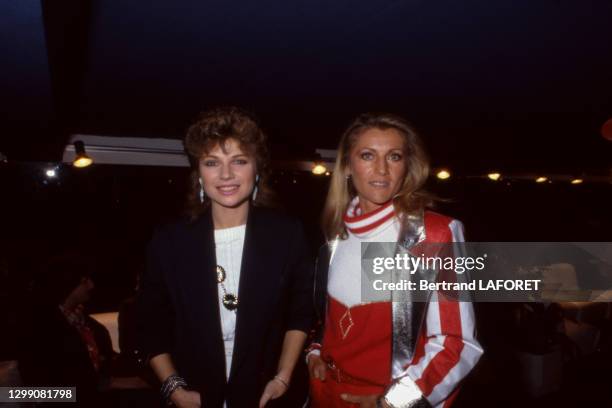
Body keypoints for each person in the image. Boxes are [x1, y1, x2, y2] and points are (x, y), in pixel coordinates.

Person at [135, 107, 313, 408]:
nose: (226, 174)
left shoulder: (286, 234)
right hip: (195, 395)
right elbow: (151, 324)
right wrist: (175, 389)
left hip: (266, 396)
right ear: (199, 173)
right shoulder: (170, 240)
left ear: (257, 169)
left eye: (239, 161)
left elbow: (300, 313)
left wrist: (283, 377)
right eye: (212, 162)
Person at [307, 113, 483, 408]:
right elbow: (326, 316)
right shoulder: (335, 234)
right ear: (348, 166)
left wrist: (395, 401)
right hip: (325, 395)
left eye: (394, 156)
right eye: (367, 155)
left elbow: (457, 344)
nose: (381, 169)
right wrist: (314, 351)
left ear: (407, 167)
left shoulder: (434, 235)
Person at [18, 254, 114, 408]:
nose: (91, 285)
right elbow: (34, 387)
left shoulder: (90, 325)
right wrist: (84, 393)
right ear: (68, 284)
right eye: (84, 281)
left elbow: (104, 368)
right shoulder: (40, 328)